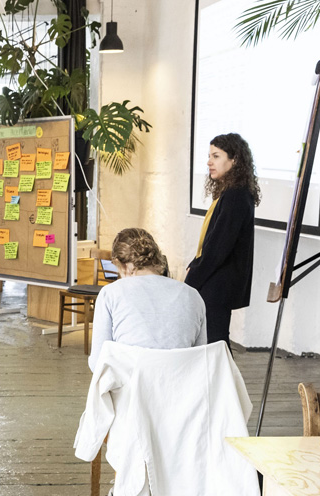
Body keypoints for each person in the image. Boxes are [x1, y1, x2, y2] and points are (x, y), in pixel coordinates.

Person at [89, 228, 207, 371]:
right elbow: (200, 358)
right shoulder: (192, 295)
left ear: (121, 264)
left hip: (130, 388)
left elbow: (98, 362)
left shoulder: (110, 293)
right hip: (180, 387)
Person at [185, 133, 259, 347]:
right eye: (209, 156)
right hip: (215, 280)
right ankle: (221, 380)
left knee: (216, 343)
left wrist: (193, 277)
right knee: (213, 342)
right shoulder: (230, 193)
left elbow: (219, 247)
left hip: (219, 282)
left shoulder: (236, 196)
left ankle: (225, 381)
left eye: (216, 156)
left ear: (234, 159)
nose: (209, 162)